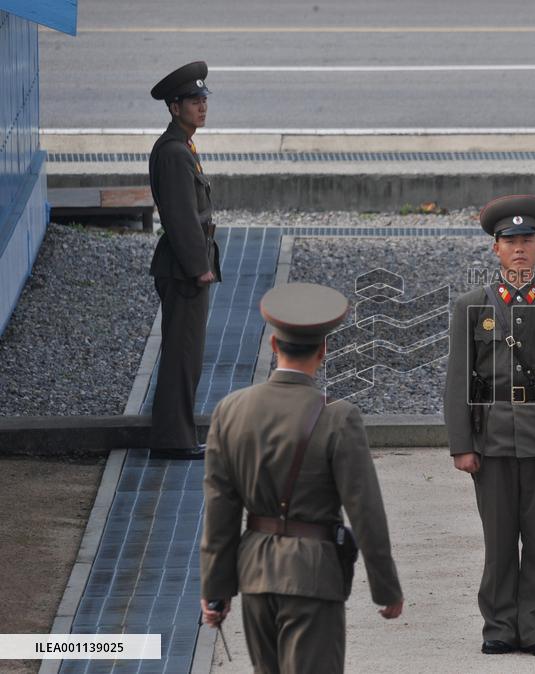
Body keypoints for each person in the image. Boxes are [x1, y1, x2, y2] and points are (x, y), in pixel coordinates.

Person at [200, 282, 404, 673]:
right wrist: (386, 588)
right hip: (314, 575)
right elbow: (365, 511)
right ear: (323, 351)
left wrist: (215, 590)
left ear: (274, 346)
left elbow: (219, 509)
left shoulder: (230, 410)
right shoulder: (338, 417)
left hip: (256, 573)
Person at [444, 194, 535, 658]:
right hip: (492, 440)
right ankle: (500, 628)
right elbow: (457, 382)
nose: (520, 248)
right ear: (496, 249)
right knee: (499, 542)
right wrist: (461, 445)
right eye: (511, 241)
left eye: (528, 239)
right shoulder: (471, 305)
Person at [148, 61, 222, 460]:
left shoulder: (181, 147)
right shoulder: (175, 152)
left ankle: (174, 433)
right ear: (174, 107)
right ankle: (173, 438)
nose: (202, 107)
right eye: (194, 101)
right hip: (183, 269)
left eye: (203, 99)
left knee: (186, 354)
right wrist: (200, 267)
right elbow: (180, 217)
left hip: (183, 266)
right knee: (182, 354)